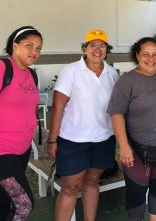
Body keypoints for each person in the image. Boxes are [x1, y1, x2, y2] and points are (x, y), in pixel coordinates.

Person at [47, 29, 119, 221]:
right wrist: (52, 141)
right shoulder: (71, 71)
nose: (97, 49)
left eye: (102, 46)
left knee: (93, 182)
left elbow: (117, 110)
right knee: (70, 187)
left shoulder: (112, 74)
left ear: (107, 50)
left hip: (103, 139)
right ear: (85, 48)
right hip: (73, 140)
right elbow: (57, 107)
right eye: (92, 45)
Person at [107, 37, 156, 221]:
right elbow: (116, 114)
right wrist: (124, 146)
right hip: (136, 151)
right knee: (136, 193)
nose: (151, 58)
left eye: (155, 54)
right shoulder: (127, 81)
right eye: (145, 54)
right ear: (137, 56)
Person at [0, 26, 43, 220]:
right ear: (15, 45)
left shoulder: (32, 74)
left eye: (38, 48)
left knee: (4, 197)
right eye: (29, 45)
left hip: (21, 150)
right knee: (24, 204)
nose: (34, 52)